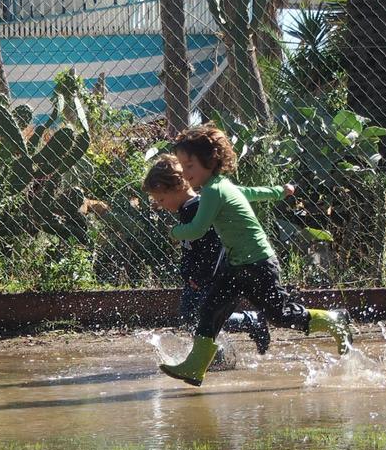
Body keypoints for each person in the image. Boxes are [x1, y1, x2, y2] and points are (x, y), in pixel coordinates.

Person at [157, 123, 352, 386]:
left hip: (258, 264)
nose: (184, 172)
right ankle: (195, 366)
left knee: (280, 314)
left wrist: (176, 232)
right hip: (237, 264)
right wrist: (278, 192)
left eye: (189, 165)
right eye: (182, 165)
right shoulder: (222, 186)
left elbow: (197, 229)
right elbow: (251, 193)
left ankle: (333, 320)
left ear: (209, 161)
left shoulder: (214, 190)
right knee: (210, 310)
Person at [142, 155, 271, 363]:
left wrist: (202, 276)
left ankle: (249, 322)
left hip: (209, 278)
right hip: (196, 279)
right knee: (190, 315)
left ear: (177, 187)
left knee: (204, 315)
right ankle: (213, 354)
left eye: (161, 199)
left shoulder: (199, 208)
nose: (160, 205)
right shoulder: (187, 209)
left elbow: (214, 247)